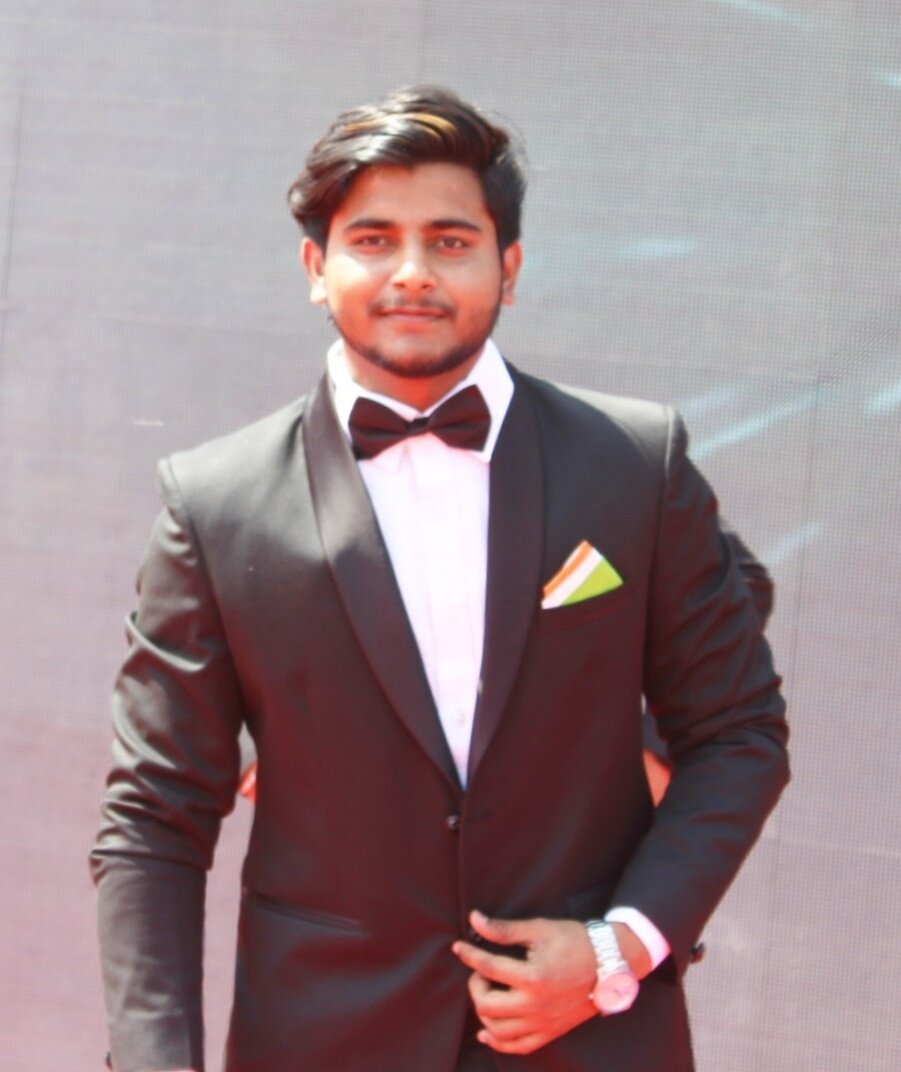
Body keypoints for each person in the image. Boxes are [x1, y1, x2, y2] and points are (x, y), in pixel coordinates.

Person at [91, 86, 789, 1072]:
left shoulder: (635, 463)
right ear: (315, 268)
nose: (412, 271)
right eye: (372, 239)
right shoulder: (215, 505)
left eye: (451, 241)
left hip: (589, 1036)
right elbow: (153, 819)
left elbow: (737, 731)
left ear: (509, 267)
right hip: (320, 1040)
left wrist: (617, 949)